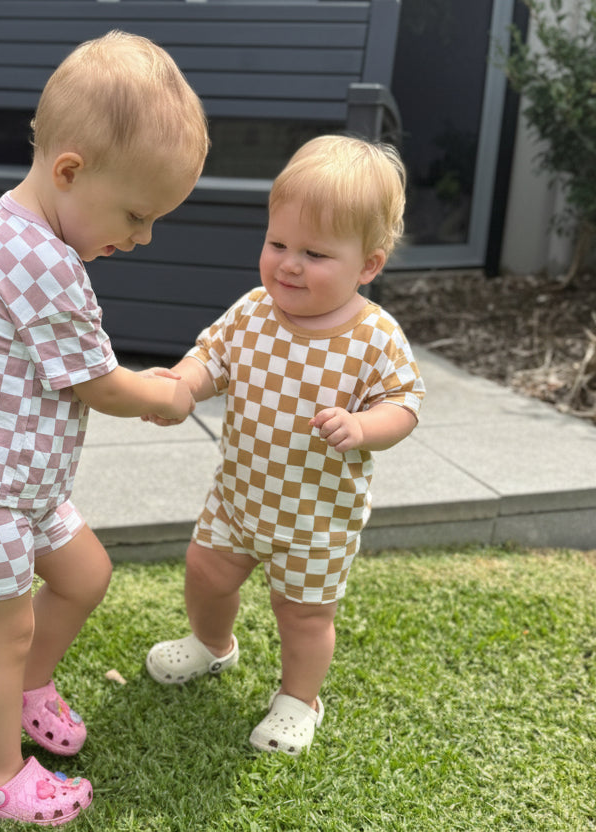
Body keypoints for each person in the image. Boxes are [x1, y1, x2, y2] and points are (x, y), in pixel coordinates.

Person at [0, 31, 207, 825]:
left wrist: (143, 384)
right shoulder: (40, 261)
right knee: (1, 638)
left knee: (84, 575)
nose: (141, 237)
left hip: (20, 485)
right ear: (70, 171)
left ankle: (27, 687)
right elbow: (98, 384)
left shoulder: (17, 228)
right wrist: (166, 397)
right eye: (136, 214)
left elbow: (73, 369)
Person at [143, 134, 425, 756]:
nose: (289, 265)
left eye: (315, 253)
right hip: (238, 499)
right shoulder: (253, 312)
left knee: (302, 615)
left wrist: (363, 427)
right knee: (205, 572)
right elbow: (211, 358)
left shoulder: (374, 336)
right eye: (277, 244)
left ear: (368, 266)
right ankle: (212, 644)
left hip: (317, 519)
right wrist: (181, 385)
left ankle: (300, 700)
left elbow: (404, 405)